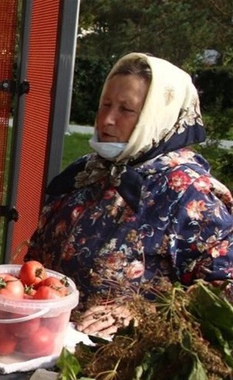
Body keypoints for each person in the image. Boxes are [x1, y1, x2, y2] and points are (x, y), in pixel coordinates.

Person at [25, 52, 233, 338]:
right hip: (41, 338)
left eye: (126, 109)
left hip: (123, 361)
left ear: (158, 116)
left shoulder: (189, 193)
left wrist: (140, 312)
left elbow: (223, 293)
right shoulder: (86, 171)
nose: (107, 119)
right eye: (105, 104)